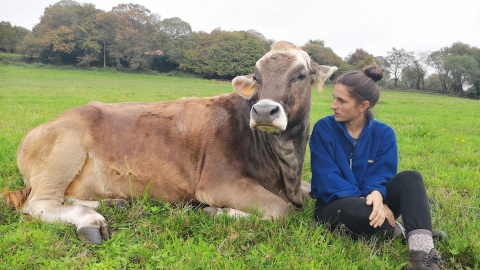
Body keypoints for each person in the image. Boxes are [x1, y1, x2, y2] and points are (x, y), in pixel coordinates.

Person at [309, 64, 445, 270]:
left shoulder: (384, 133)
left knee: (411, 178)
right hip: (335, 204)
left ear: (363, 105)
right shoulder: (323, 129)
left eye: (341, 100)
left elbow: (382, 173)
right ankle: (405, 228)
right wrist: (372, 202)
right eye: (333, 98)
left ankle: (422, 254)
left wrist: (377, 194)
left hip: (374, 200)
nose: (333, 105)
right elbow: (327, 179)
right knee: (368, 216)